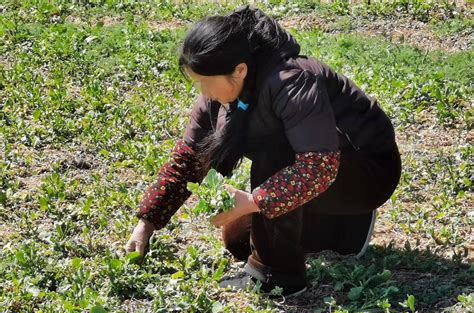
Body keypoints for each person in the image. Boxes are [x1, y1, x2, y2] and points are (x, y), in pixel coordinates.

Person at [125, 6, 402, 297]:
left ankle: (278, 279)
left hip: (367, 173)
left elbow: (318, 167)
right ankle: (343, 228)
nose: (203, 92)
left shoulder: (292, 82)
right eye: (199, 83)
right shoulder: (220, 93)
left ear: (240, 70)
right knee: (238, 241)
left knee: (274, 150)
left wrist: (255, 200)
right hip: (322, 176)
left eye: (207, 82)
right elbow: (188, 161)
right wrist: (146, 224)